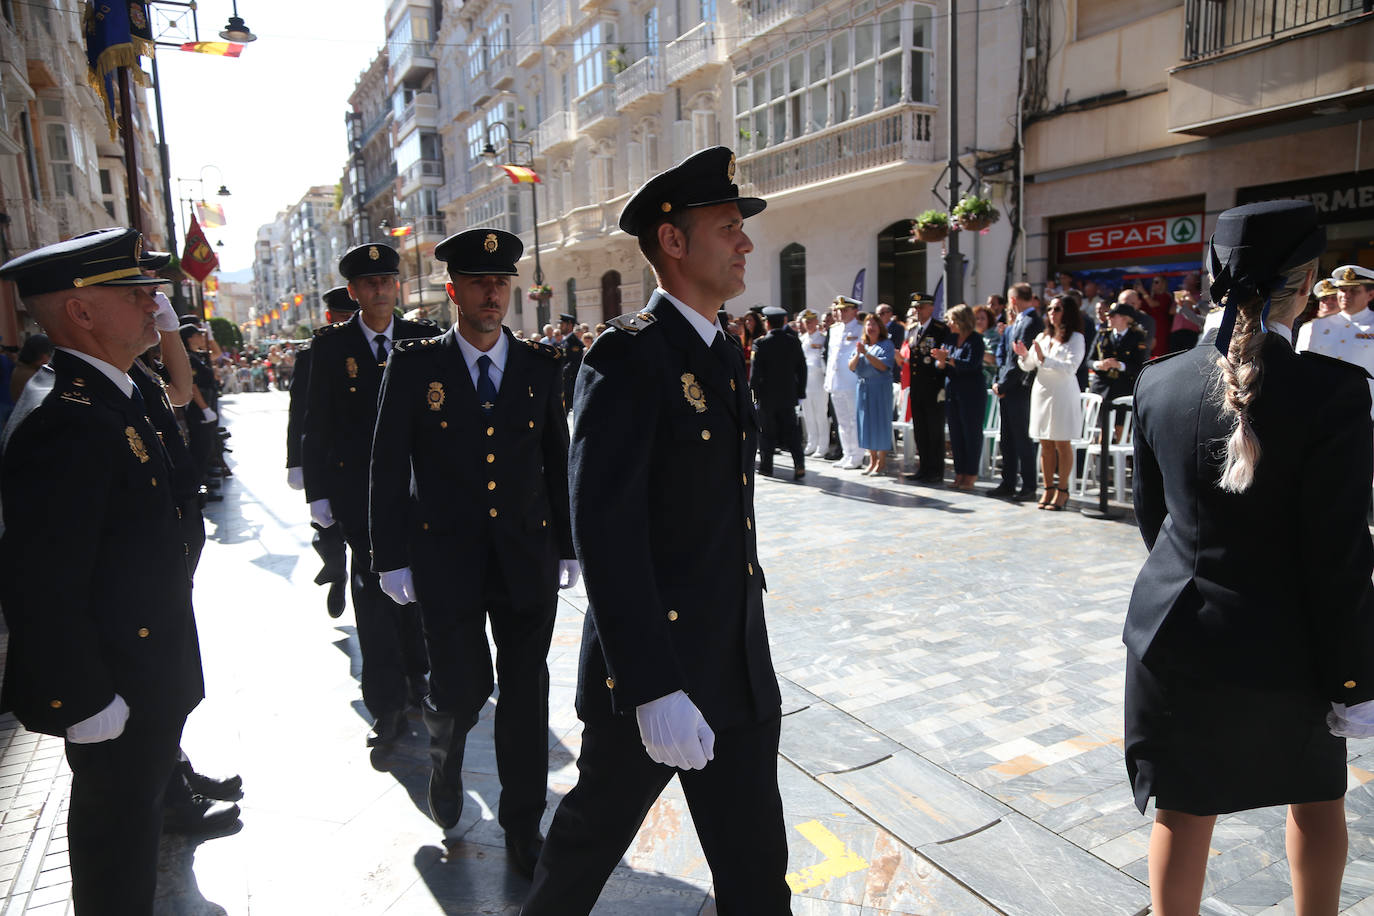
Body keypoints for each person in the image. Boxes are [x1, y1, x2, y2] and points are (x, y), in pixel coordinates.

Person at [523, 147, 790, 915]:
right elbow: (604, 530)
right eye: (728, 227)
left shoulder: (722, 353)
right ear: (673, 242)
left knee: (756, 872)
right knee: (583, 854)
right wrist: (652, 687)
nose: (744, 243)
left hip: (736, 660)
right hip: (655, 674)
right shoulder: (630, 355)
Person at [1124, 200, 1374, 916]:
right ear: (1308, 282)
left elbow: (1153, 520)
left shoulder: (1157, 382)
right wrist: (1356, 673)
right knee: (1318, 796)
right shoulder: (1334, 391)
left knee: (1184, 807)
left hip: (1179, 632)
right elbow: (1340, 551)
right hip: (1291, 644)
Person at [0, 228, 206, 912]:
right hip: (115, 685)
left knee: (133, 831)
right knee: (114, 846)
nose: (156, 305)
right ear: (82, 313)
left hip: (145, 669)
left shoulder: (113, 391)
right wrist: (82, 697)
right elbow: (42, 579)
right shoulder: (67, 417)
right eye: (138, 293)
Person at [370, 228, 575, 877]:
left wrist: (567, 546)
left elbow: (555, 461)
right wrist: (390, 556)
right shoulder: (415, 365)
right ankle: (445, 756)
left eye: (502, 282)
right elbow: (386, 464)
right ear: (454, 289)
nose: (493, 292)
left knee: (524, 693)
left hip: (525, 560)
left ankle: (522, 824)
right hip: (445, 560)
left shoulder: (540, 367)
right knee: (463, 687)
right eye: (480, 282)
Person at [301, 242, 438, 747]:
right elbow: (317, 423)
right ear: (355, 291)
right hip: (359, 496)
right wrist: (318, 493)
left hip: (418, 491)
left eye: (387, 280)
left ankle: (420, 675)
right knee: (375, 598)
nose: (381, 289)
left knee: (421, 590)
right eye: (370, 283)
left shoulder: (425, 339)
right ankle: (386, 702)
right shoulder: (331, 347)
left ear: (396, 285)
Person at [285, 287, 354, 619]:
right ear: (330, 317)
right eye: (343, 316)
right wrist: (295, 462)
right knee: (327, 528)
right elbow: (299, 412)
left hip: (362, 458)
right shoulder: (313, 352)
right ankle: (336, 571)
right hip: (326, 457)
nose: (349, 322)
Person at [1015, 294, 1084, 510]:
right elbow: (1028, 366)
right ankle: (1048, 488)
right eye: (1050, 309)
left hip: (1062, 393)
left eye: (1057, 309)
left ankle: (1062, 490)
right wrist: (1024, 355)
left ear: (1068, 312)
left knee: (1062, 442)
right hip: (1042, 391)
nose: (1051, 313)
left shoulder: (1076, 338)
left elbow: (1070, 367)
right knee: (1045, 442)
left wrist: (1045, 360)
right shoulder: (1043, 336)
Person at [988, 283, 1042, 500]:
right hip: (1007, 388)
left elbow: (1022, 361)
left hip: (1020, 389)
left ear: (1012, 300)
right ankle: (1008, 481)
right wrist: (997, 381)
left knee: (1022, 439)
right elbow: (1002, 357)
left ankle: (1028, 485)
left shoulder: (1031, 322)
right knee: (1007, 438)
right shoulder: (1014, 324)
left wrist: (1003, 385)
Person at [931, 304, 986, 491]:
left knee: (971, 434)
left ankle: (971, 473)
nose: (949, 324)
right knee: (955, 434)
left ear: (962, 320)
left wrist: (947, 359)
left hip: (971, 392)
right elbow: (942, 366)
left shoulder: (976, 340)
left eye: (952, 320)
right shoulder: (950, 339)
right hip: (952, 391)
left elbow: (971, 364)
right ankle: (959, 472)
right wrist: (940, 361)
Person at [750, 305, 806, 479]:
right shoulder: (793, 340)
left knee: (767, 433)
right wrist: (800, 392)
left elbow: (755, 374)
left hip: (767, 396)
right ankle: (799, 464)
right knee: (792, 431)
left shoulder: (760, 343)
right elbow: (802, 369)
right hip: (788, 395)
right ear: (783, 322)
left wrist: (753, 395)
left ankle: (767, 467)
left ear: (767, 324)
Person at [903, 292, 950, 483]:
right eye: (915, 307)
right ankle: (923, 467)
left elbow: (942, 359)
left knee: (934, 430)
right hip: (918, 387)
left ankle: (936, 470)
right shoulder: (913, 330)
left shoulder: (940, 329)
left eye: (921, 307)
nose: (917, 311)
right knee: (920, 430)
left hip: (933, 387)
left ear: (931, 307)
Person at [1089, 302, 1148, 435]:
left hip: (1122, 389)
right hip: (1102, 389)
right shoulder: (1103, 334)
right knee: (1101, 433)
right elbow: (1088, 360)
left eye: (1113, 316)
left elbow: (1139, 366)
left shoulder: (1137, 337)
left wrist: (1120, 366)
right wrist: (1098, 365)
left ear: (1125, 318)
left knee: (1122, 432)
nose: (1108, 318)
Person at [849, 311, 895, 476]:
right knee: (866, 423)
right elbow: (852, 366)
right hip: (864, 387)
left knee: (880, 422)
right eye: (868, 324)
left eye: (874, 324)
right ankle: (872, 459)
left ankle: (882, 462)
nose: (871, 327)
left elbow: (883, 366)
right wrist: (860, 353)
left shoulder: (886, 345)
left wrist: (867, 354)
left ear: (880, 327)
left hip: (880, 388)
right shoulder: (862, 344)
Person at [824, 296, 864, 469]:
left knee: (854, 420)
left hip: (851, 380)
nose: (840, 313)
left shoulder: (861, 328)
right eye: (839, 310)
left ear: (855, 311)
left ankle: (857, 455)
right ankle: (847, 453)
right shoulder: (834, 329)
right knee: (841, 421)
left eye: (845, 310)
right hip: (835, 380)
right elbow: (832, 356)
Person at [798, 308, 828, 455]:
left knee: (820, 414)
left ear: (816, 321)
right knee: (809, 414)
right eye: (806, 321)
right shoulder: (802, 340)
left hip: (819, 381)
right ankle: (811, 442)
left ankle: (823, 445)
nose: (808, 323)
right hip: (805, 383)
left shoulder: (822, 338)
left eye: (811, 321)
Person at [8, 333, 53, 402]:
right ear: (40, 355)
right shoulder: (31, 376)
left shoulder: (23, 368)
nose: (49, 359)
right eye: (49, 355)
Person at [558, 311, 585, 410]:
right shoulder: (565, 341)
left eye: (561, 324)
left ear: (569, 325)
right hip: (564, 382)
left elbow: (574, 362)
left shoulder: (574, 342)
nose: (559, 326)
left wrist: (561, 372)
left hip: (570, 382)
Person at [876, 302, 904, 384]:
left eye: (881, 314)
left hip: (892, 367)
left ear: (890, 313)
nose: (878, 317)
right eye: (877, 314)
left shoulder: (898, 328)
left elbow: (897, 346)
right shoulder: (875, 328)